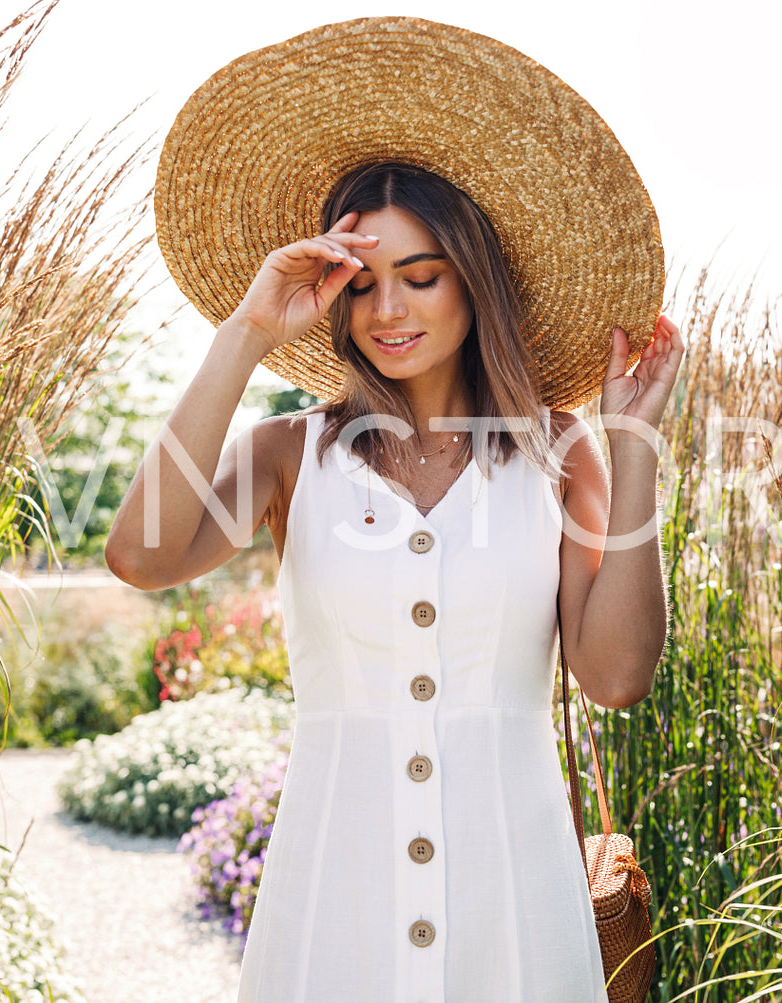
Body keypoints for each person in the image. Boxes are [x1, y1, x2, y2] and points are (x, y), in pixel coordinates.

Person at [106, 17, 685, 1002]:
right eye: (361, 284)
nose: (388, 312)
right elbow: (140, 555)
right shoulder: (291, 451)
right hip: (333, 897)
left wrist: (630, 447)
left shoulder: (559, 448)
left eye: (419, 277)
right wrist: (244, 333)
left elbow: (615, 673)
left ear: (474, 282)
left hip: (517, 899)